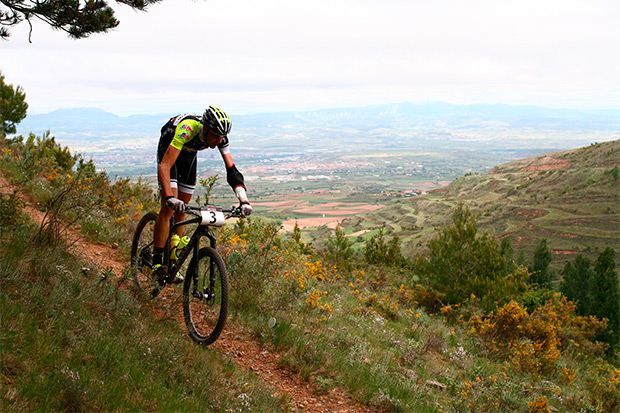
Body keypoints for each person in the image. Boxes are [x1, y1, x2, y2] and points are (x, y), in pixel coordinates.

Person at [152, 106, 252, 282]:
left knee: (183, 206)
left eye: (221, 136)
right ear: (205, 129)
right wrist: (169, 197)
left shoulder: (219, 137)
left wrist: (244, 200)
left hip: (189, 155)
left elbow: (232, 170)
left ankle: (173, 260)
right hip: (170, 148)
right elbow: (165, 166)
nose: (218, 140)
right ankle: (157, 262)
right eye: (215, 135)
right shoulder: (188, 129)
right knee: (169, 209)